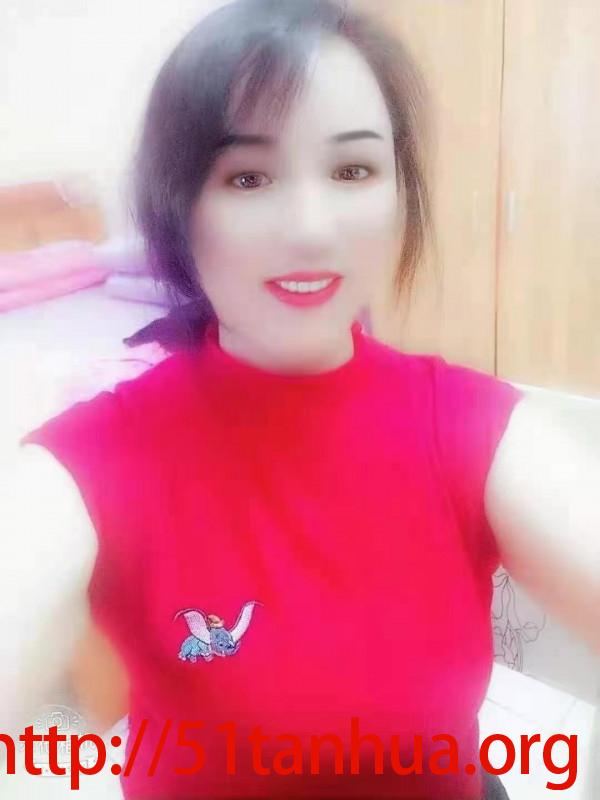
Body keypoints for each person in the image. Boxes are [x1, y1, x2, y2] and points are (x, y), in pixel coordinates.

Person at [2, 1, 599, 798]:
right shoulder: (94, 458)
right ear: (179, 207)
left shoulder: (471, 426)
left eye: (353, 171)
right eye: (248, 177)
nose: (313, 229)